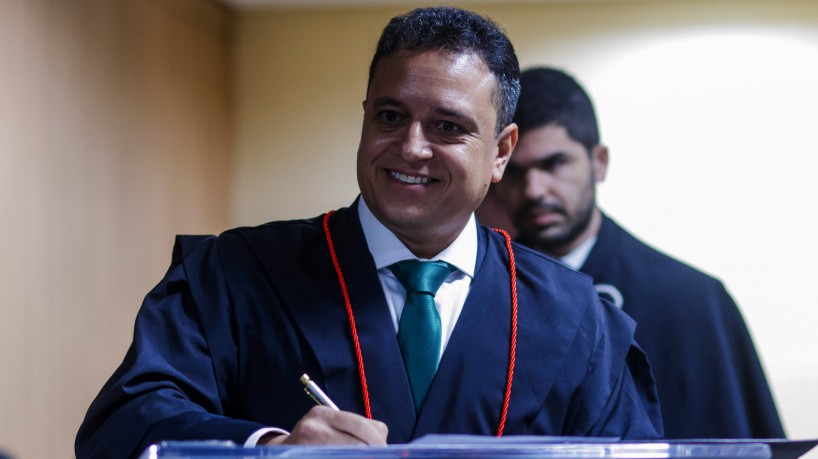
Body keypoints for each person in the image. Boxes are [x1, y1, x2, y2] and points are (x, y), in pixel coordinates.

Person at [75, 9, 663, 459]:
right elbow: (123, 425)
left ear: (502, 150)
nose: (410, 147)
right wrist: (267, 448)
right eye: (389, 116)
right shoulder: (233, 276)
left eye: (447, 126)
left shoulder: (579, 320)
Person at [486, 67, 785, 439]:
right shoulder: (481, 295)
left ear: (599, 162)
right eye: (516, 172)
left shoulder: (692, 302)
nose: (534, 189)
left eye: (554, 164)